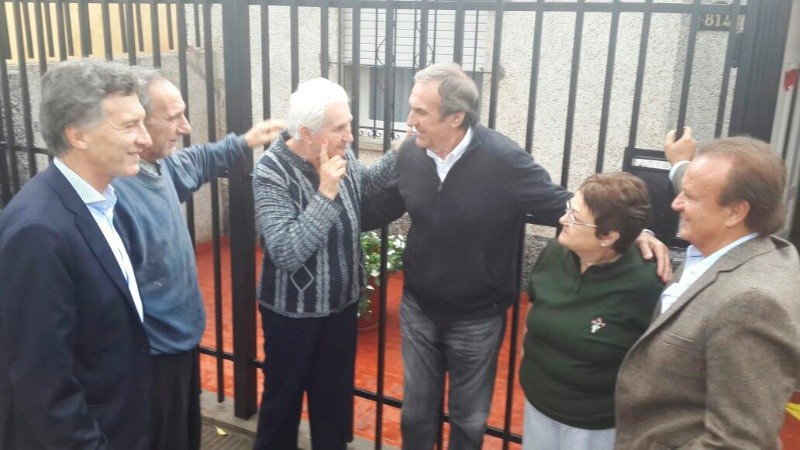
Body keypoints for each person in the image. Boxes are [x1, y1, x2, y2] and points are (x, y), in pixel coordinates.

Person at [360, 62, 671, 449]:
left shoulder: (503, 160)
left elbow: (560, 204)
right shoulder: (411, 153)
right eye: (411, 108)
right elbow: (380, 209)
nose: (409, 120)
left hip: (477, 317)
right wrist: (331, 215)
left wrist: (636, 230)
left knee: (469, 419)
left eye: (420, 112)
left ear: (456, 116)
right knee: (415, 414)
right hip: (419, 308)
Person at [112, 67, 284, 450]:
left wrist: (246, 140)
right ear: (137, 122)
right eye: (173, 117)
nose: (186, 127)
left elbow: (200, 159)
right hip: (153, 356)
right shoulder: (115, 193)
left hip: (181, 344)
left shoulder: (160, 167)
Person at [0, 59, 153, 448]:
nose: (145, 138)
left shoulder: (99, 202)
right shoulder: (38, 231)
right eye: (129, 126)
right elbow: (41, 381)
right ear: (78, 135)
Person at [614, 136, 800, 449]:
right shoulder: (731, 244)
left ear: (735, 212)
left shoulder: (752, 303)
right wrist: (679, 165)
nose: (676, 204)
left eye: (689, 196)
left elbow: (738, 442)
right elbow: (705, 187)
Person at [252, 78, 399, 450]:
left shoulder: (339, 152)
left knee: (333, 405)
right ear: (306, 132)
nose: (349, 136)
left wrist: (400, 152)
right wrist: (325, 192)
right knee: (282, 405)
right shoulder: (271, 170)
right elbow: (285, 251)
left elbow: (365, 185)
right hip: (292, 314)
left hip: (341, 306)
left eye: (349, 124)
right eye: (339, 128)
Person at [519, 172, 663, 450]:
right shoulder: (554, 253)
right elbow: (533, 311)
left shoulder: (647, 283)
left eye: (574, 218)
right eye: (568, 210)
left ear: (608, 236)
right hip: (537, 403)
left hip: (594, 424)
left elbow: (653, 364)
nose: (563, 220)